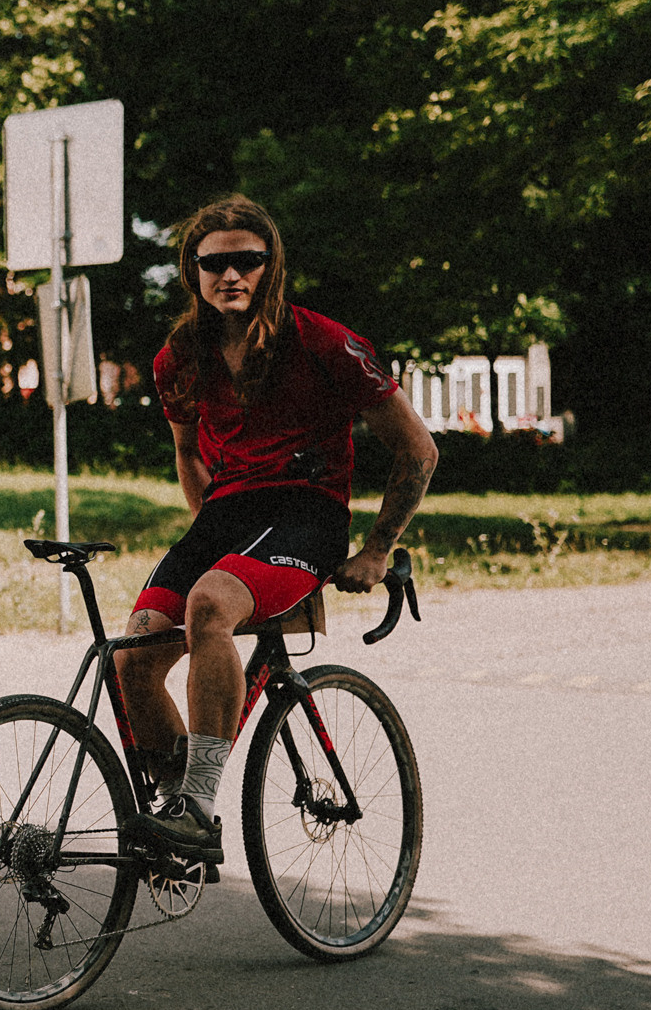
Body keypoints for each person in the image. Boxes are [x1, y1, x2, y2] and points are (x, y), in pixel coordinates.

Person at [117, 195, 438, 864]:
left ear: (271, 266)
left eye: (246, 260)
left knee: (211, 605)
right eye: (213, 263)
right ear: (192, 271)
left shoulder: (325, 344)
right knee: (131, 659)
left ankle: (198, 810)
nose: (229, 274)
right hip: (226, 515)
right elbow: (186, 450)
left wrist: (377, 549)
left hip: (306, 512)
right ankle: (176, 819)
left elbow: (417, 449)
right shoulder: (178, 359)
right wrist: (209, 527)